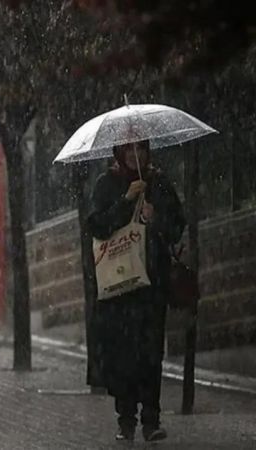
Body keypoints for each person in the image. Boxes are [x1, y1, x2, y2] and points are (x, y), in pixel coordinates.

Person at [87, 140, 185, 442]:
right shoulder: (107, 184)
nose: (135, 155)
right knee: (123, 354)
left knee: (151, 352)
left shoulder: (158, 182)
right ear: (119, 153)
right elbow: (97, 226)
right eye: (128, 150)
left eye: (140, 149)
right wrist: (125, 202)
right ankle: (126, 418)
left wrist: (157, 218)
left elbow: (177, 226)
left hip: (151, 284)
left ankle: (151, 419)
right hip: (119, 286)